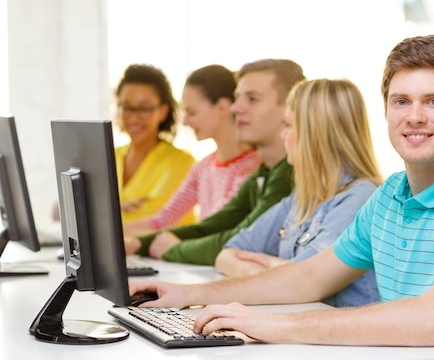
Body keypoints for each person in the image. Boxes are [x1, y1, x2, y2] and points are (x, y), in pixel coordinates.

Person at [129, 35, 434, 359]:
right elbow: (310, 276)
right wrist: (188, 295)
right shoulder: (391, 196)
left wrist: (274, 325)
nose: (415, 116)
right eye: (401, 101)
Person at [215, 78, 383, 307]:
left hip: (348, 338)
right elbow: (227, 253)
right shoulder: (303, 197)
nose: (283, 135)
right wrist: (263, 272)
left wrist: (277, 272)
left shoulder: (359, 199)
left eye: (287, 125)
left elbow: (308, 280)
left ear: (314, 133)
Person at [124, 59, 305, 265]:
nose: (236, 108)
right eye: (237, 98)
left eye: (252, 99)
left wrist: (174, 249)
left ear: (290, 108)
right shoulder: (264, 172)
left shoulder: (287, 173)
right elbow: (213, 226)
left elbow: (238, 241)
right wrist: (140, 244)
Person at [122, 64, 261, 237]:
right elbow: (162, 221)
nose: (185, 122)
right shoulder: (203, 167)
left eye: (191, 112)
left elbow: (217, 232)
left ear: (222, 108)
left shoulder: (252, 169)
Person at [115, 64, 195, 225]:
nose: (134, 117)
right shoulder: (107, 156)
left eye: (144, 108)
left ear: (163, 112)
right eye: (127, 107)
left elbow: (154, 222)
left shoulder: (181, 162)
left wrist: (106, 210)